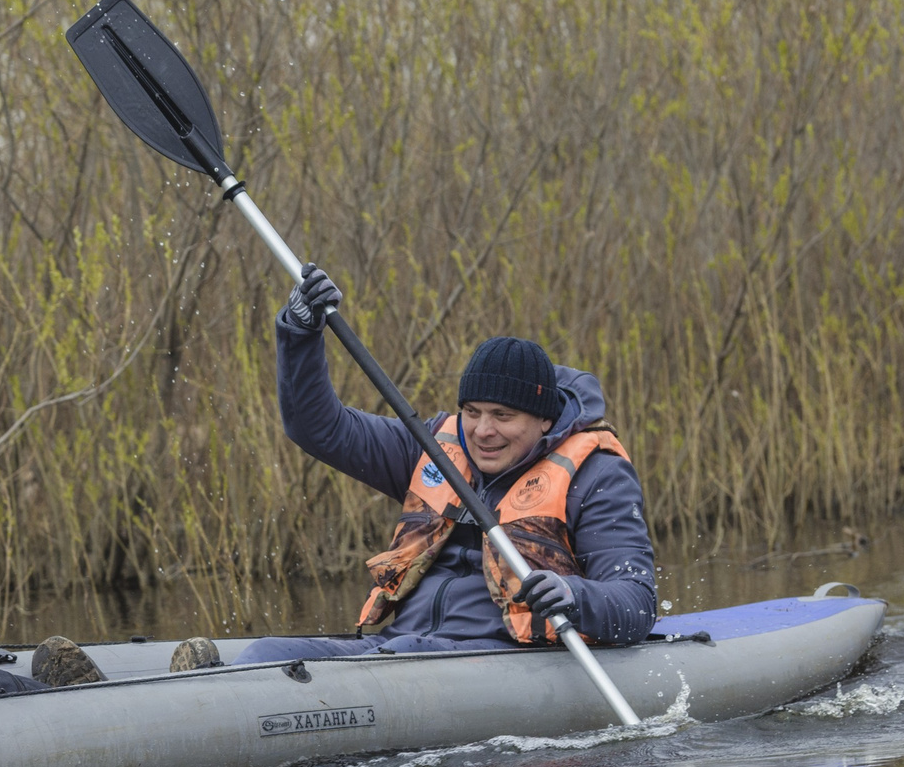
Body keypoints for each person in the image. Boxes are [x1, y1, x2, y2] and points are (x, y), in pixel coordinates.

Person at [258, 263, 657, 658]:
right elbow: (317, 428)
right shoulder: (431, 446)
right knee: (267, 652)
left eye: (503, 416)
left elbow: (636, 602)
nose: (483, 430)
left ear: (545, 421)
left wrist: (574, 595)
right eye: (472, 412)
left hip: (504, 656)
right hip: (399, 646)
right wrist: (300, 333)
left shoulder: (597, 474)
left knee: (405, 651)